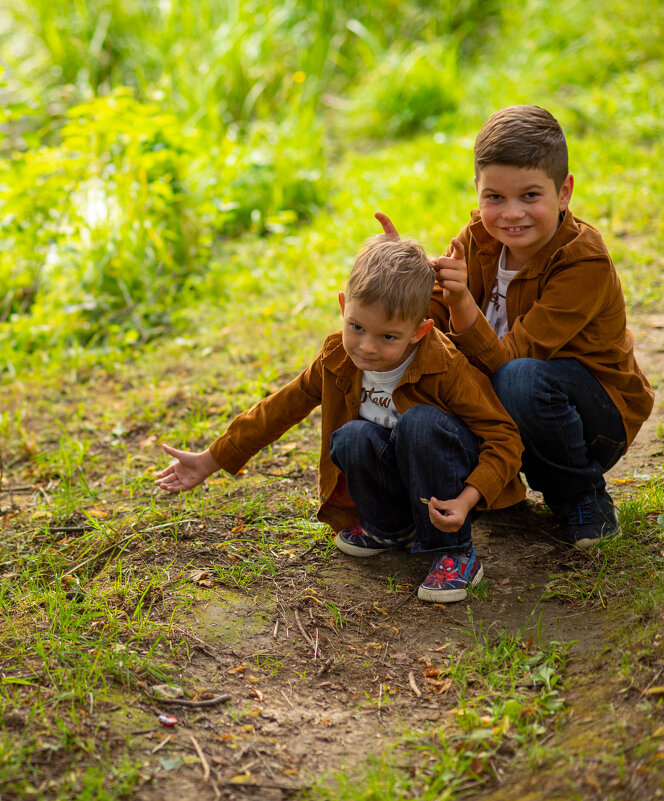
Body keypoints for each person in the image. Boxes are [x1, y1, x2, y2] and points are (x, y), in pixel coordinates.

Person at [155, 235, 525, 603]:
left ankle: (455, 551)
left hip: (447, 482)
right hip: (398, 477)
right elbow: (281, 406)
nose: (366, 346)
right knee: (352, 436)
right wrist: (211, 458)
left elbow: (505, 438)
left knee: (419, 424)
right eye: (357, 327)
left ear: (419, 331)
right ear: (344, 306)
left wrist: (466, 499)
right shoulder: (337, 358)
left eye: (388, 337)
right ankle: (391, 529)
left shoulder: (443, 365)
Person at [379, 104, 654, 548]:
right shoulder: (479, 238)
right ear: (478, 190)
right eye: (495, 198)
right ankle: (462, 494)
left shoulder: (583, 262)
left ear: (563, 192)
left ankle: (581, 494)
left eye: (530, 196)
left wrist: (464, 299)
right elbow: (430, 318)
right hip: (510, 412)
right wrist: (398, 274)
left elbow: (508, 359)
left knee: (518, 378)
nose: (511, 213)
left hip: (592, 419)